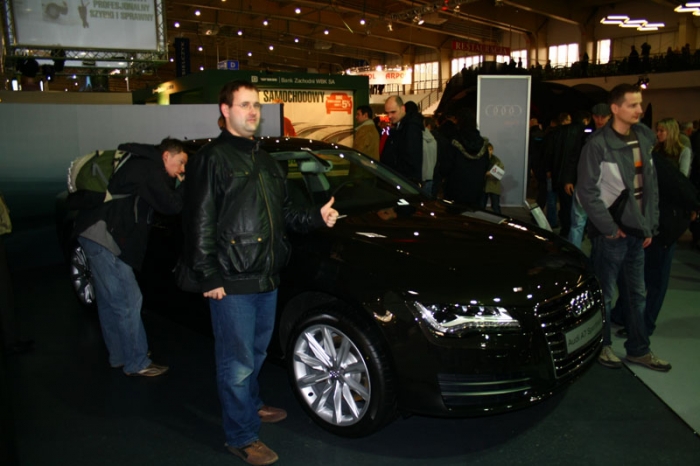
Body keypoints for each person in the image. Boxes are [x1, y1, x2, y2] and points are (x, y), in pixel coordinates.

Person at [181, 80, 338, 466]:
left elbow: (284, 214)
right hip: (231, 280)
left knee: (255, 353)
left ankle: (250, 405)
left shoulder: (266, 160)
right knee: (236, 364)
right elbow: (198, 221)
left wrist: (316, 217)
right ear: (225, 110)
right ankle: (241, 436)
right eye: (245, 104)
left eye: (257, 105)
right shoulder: (212, 159)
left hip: (266, 276)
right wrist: (208, 275)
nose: (253, 111)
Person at [68, 138, 188, 376]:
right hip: (105, 236)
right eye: (181, 162)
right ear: (166, 156)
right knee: (129, 299)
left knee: (108, 300)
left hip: (93, 232)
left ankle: (119, 356)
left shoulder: (137, 162)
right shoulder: (148, 168)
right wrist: (186, 185)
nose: (182, 169)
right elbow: (171, 205)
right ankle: (137, 362)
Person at [577, 83, 670, 372]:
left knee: (636, 295)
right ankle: (602, 345)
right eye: (632, 105)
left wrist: (649, 226)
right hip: (612, 234)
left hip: (636, 232)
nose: (639, 110)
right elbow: (587, 191)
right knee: (604, 294)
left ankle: (639, 350)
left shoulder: (643, 138)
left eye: (640, 104)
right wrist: (608, 227)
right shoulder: (598, 145)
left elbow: (650, 188)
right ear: (615, 108)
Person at [567, 103, 611, 248]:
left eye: (603, 117)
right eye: (597, 116)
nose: (600, 120)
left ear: (609, 117)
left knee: (586, 224)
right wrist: (569, 179)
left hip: (602, 186)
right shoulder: (585, 135)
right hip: (587, 184)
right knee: (579, 223)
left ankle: (590, 256)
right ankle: (577, 255)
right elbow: (575, 157)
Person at [439, 108, 491, 208]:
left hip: (455, 190)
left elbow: (445, 168)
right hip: (476, 190)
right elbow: (486, 165)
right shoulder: (483, 144)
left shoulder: (454, 142)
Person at [381, 95, 423, 183]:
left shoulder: (411, 128)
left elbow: (411, 161)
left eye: (393, 112)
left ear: (403, 108)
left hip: (403, 181)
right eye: (387, 113)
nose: (389, 116)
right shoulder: (401, 126)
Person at [484, 143, 504, 214]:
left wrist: (490, 173)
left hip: (494, 185)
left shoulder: (496, 160)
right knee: (481, 206)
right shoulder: (481, 160)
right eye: (487, 150)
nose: (489, 152)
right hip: (483, 186)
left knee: (495, 206)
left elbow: (501, 171)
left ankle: (499, 219)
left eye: (490, 150)